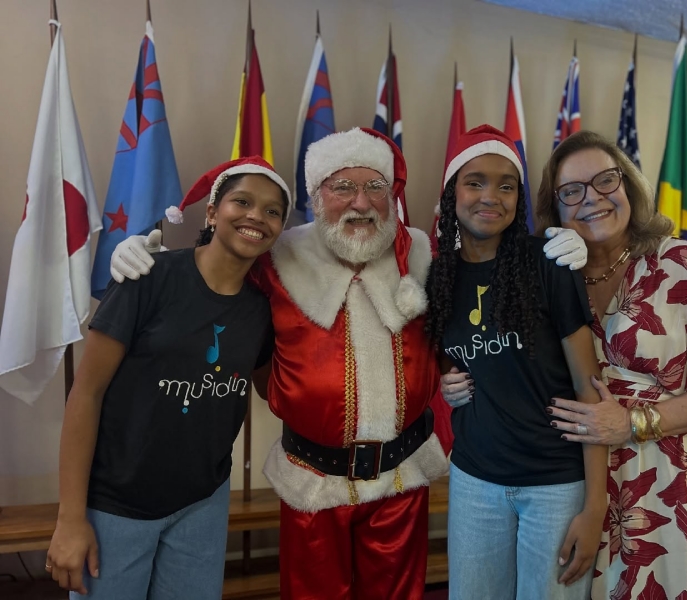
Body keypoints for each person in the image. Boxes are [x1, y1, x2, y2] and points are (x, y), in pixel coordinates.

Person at [110, 127, 590, 599]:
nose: (361, 203)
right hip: (313, 485)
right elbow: (217, 274)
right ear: (317, 195)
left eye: (375, 187)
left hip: (402, 481)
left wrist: (575, 247)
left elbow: (486, 278)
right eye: (342, 187)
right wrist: (154, 264)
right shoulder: (276, 258)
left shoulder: (424, 254)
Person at [535, 130, 687, 599]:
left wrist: (633, 422)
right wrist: (454, 377)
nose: (593, 198)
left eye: (605, 180)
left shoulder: (686, 264)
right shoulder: (551, 279)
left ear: (627, 185)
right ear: (555, 208)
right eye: (572, 191)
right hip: (601, 491)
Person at [46, 157, 291, 599]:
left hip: (203, 502)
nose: (257, 215)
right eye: (242, 202)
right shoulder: (146, 277)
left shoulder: (262, 309)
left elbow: (272, 388)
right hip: (117, 503)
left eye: (272, 211)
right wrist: (70, 517)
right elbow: (86, 393)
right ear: (212, 211)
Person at [432, 125, 607, 600]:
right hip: (474, 481)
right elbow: (450, 357)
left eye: (507, 186)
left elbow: (589, 389)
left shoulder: (548, 263)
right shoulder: (438, 276)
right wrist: (447, 379)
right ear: (451, 193)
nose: (491, 196)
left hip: (555, 484)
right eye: (475, 182)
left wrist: (595, 506)